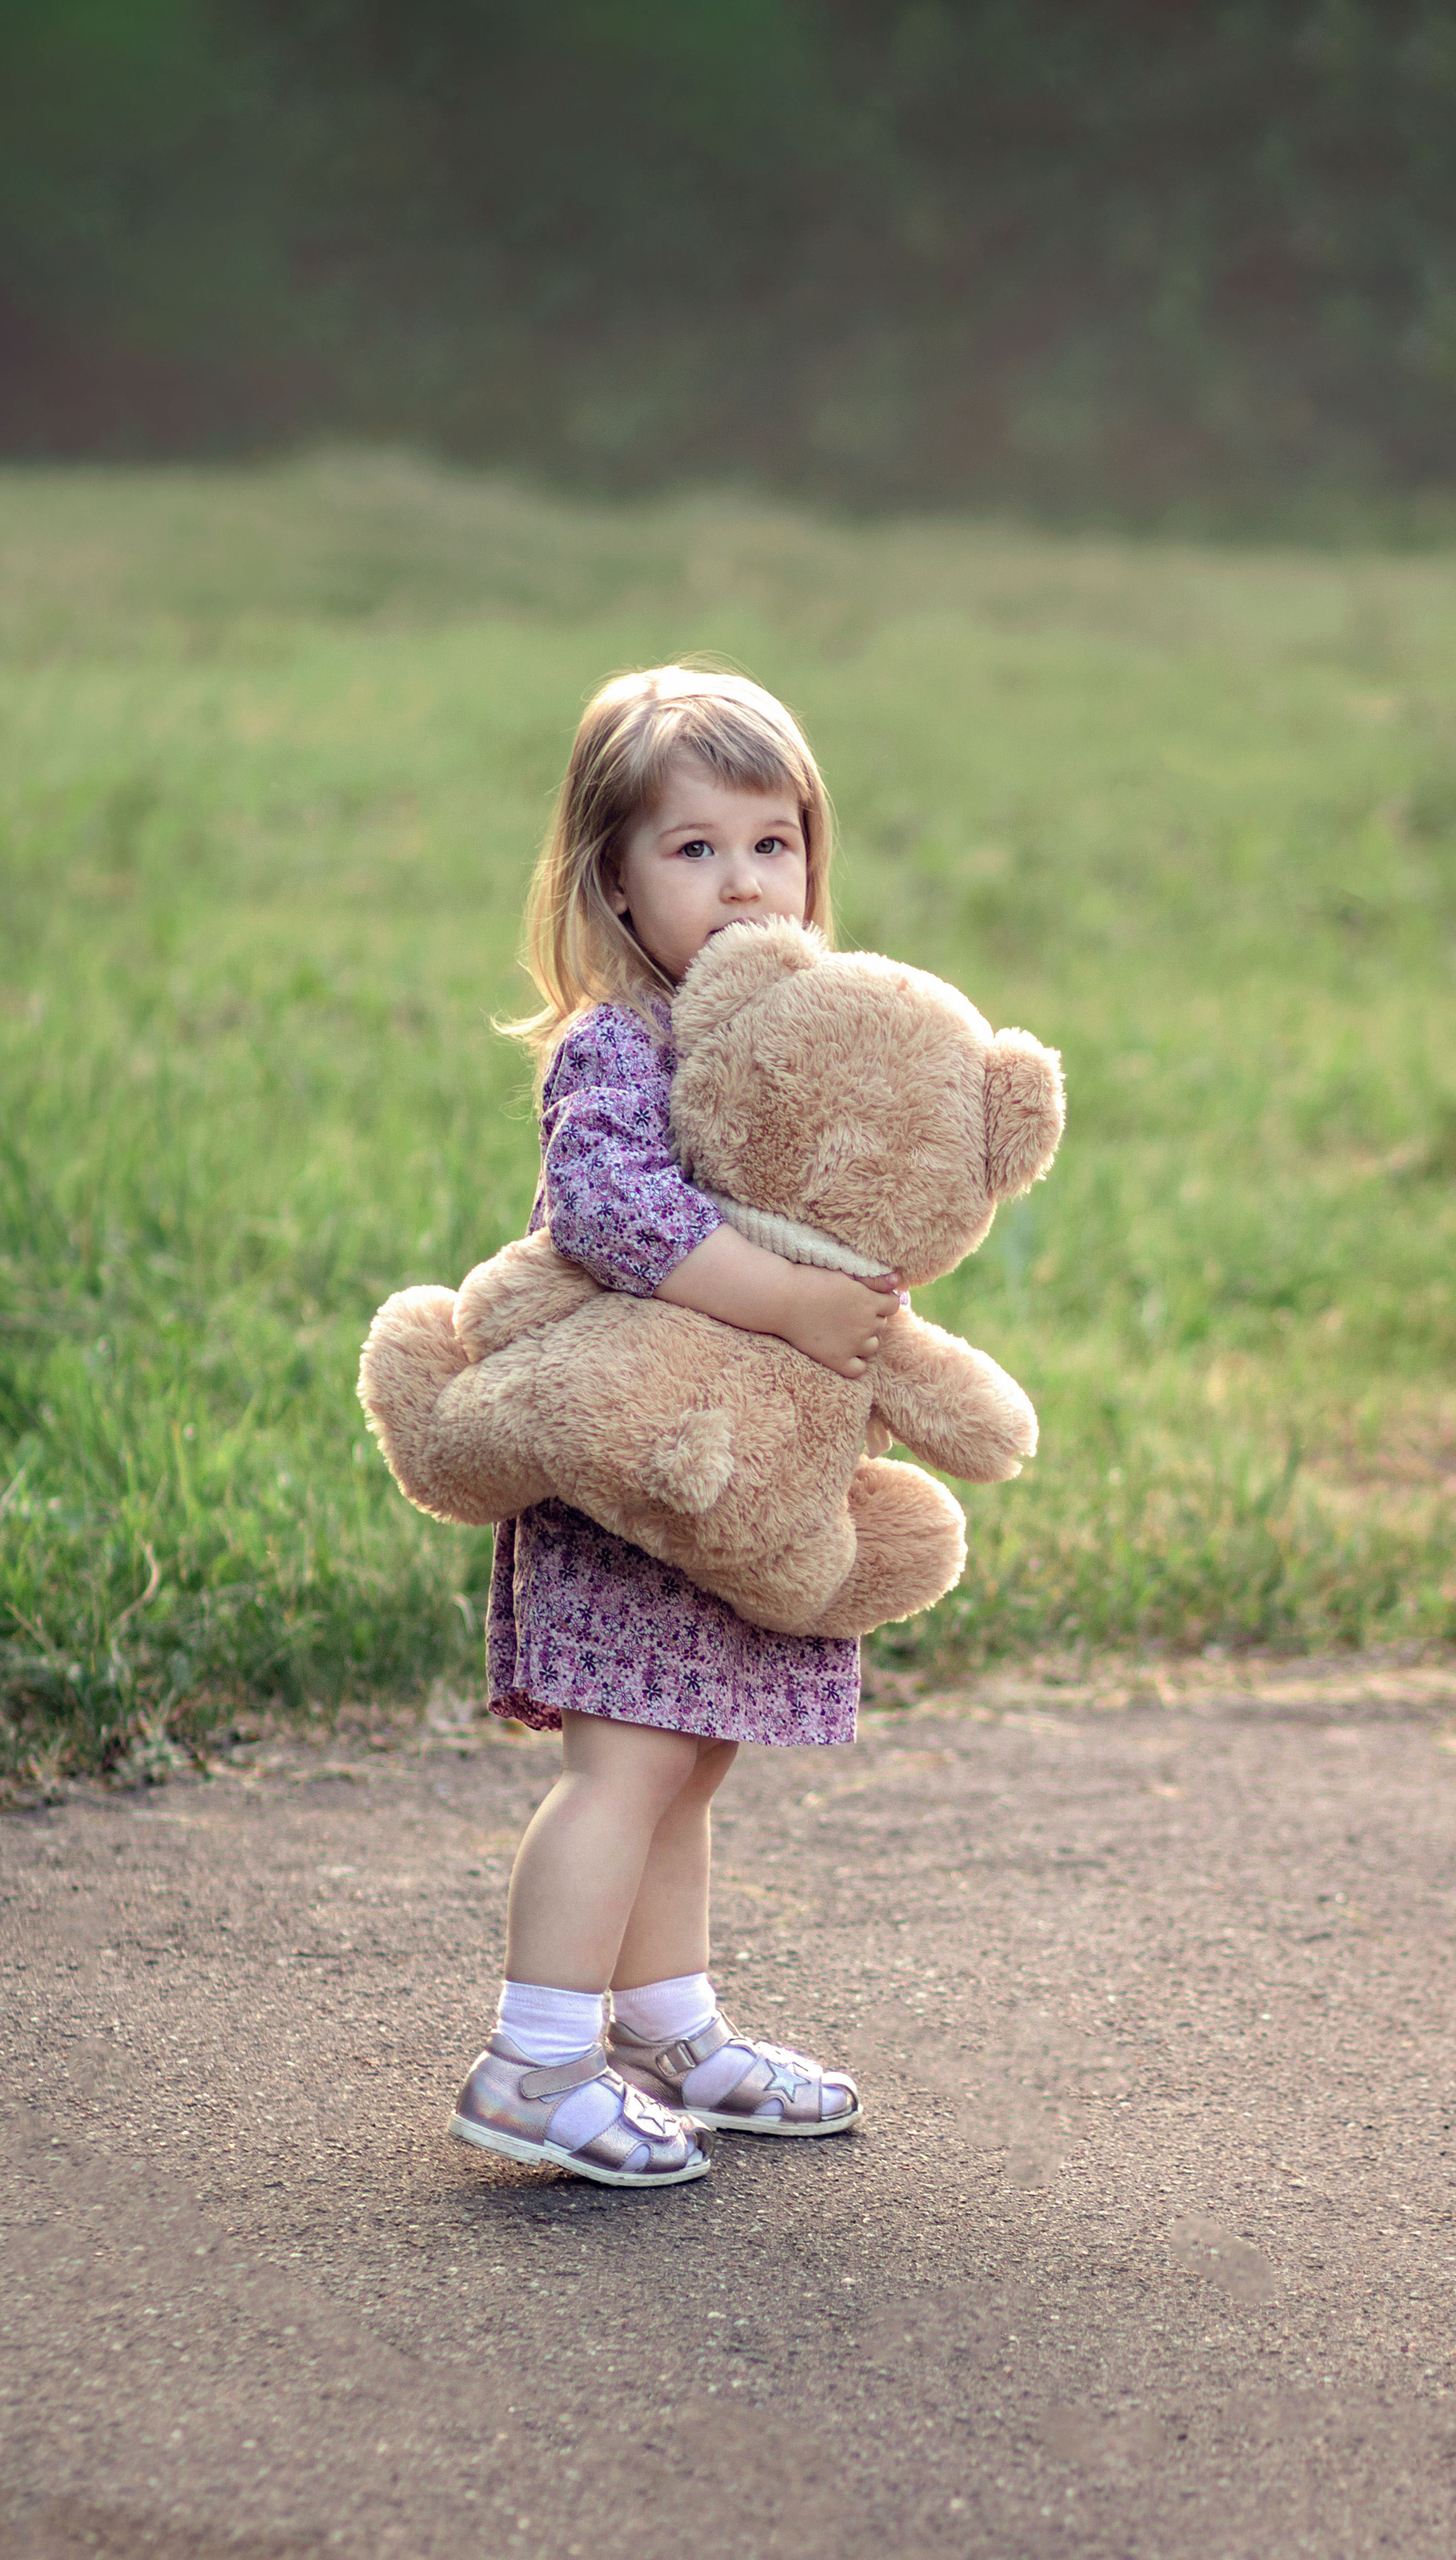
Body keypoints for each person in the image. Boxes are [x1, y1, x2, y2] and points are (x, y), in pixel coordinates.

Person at [449, 664, 886, 2187]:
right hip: (629, 1476)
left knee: (692, 1755)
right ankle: (536, 2061)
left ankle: (672, 2030)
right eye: (693, 850)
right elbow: (613, 1209)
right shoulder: (618, 1044)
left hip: (725, 1491)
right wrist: (788, 1306)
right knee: (624, 1764)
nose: (744, 881)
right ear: (615, 886)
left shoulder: (792, 1046)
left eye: (774, 844)